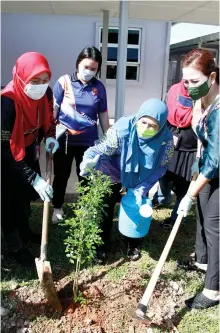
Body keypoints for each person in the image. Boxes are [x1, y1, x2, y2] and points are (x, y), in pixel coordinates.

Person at [80, 99, 174, 262]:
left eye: (152, 126)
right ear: (138, 118)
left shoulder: (165, 141)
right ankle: (101, 246)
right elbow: (99, 149)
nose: (145, 128)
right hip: (111, 169)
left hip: (140, 176)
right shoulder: (121, 130)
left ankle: (133, 242)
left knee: (136, 207)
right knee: (104, 207)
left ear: (161, 127)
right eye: (143, 122)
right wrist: (88, 160)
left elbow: (161, 167)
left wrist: (142, 188)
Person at [1, 52, 59, 267]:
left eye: (45, 81)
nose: (41, 86)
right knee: (10, 201)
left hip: (28, 148)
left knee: (24, 197)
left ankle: (24, 232)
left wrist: (51, 137)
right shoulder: (7, 102)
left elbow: (50, 120)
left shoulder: (46, 94)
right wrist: (32, 176)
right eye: (35, 81)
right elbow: (4, 149)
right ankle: (15, 244)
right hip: (7, 156)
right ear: (22, 77)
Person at [176, 49, 219, 309]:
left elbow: (215, 161)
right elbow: (202, 139)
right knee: (202, 215)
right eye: (186, 81)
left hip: (216, 167)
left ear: (211, 77)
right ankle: (202, 261)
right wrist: (196, 161)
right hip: (206, 163)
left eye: (194, 81)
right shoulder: (201, 98)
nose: (189, 86)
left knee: (214, 226)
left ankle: (214, 289)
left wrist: (189, 194)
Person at [52, 46, 110, 224]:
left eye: (94, 69)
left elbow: (103, 114)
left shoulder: (98, 87)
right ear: (78, 64)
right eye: (86, 67)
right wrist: (49, 135)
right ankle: (57, 208)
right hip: (65, 141)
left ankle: (85, 208)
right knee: (61, 175)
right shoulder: (64, 82)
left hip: (88, 143)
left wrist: (108, 138)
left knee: (85, 176)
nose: (89, 71)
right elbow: (53, 111)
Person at [152, 80, 197, 228]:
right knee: (163, 175)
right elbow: (164, 115)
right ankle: (162, 199)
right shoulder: (173, 91)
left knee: (184, 185)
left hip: (190, 150)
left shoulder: (202, 96)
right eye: (186, 80)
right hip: (170, 144)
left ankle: (176, 217)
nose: (188, 84)